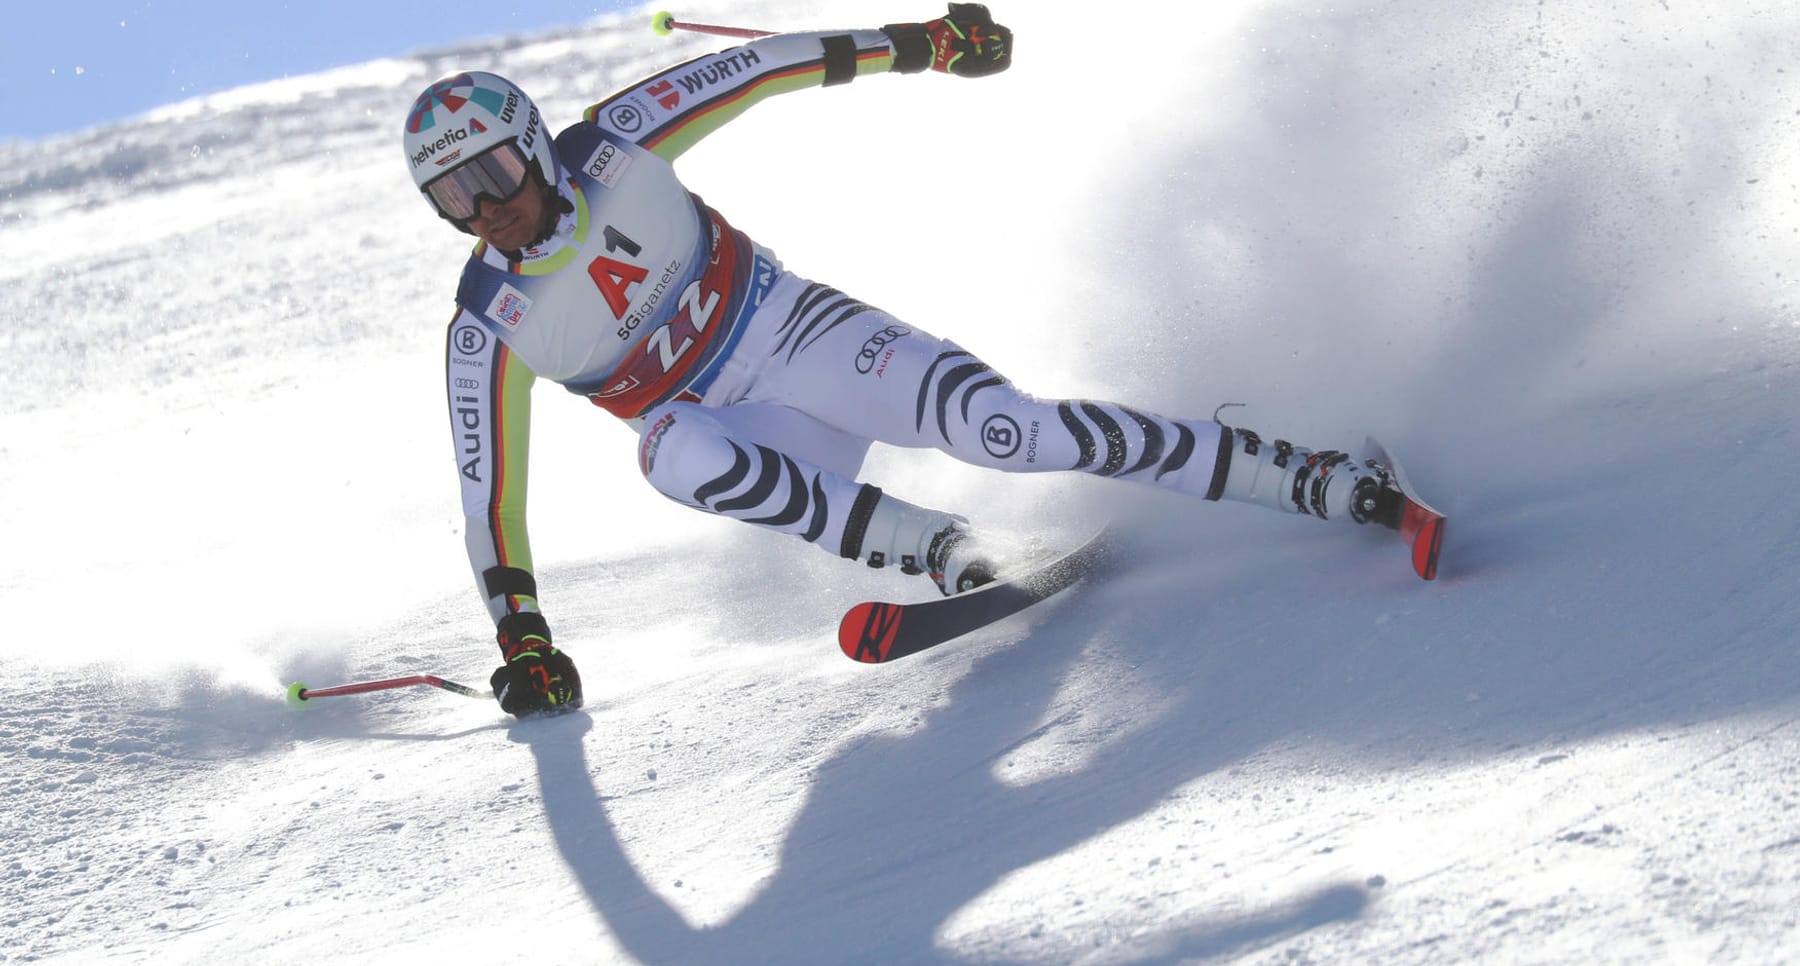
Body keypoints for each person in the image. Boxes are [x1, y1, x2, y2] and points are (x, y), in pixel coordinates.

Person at [403, 5, 1408, 717]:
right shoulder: (487, 326)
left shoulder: (617, 140)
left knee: (1013, 431)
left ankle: (1308, 477)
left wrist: (925, 44)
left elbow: (759, 68)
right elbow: (489, 500)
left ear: (531, 143)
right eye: (455, 197)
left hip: (798, 334)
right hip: (751, 433)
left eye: (492, 170)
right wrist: (523, 638)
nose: (487, 207)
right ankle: (943, 550)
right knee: (669, 450)